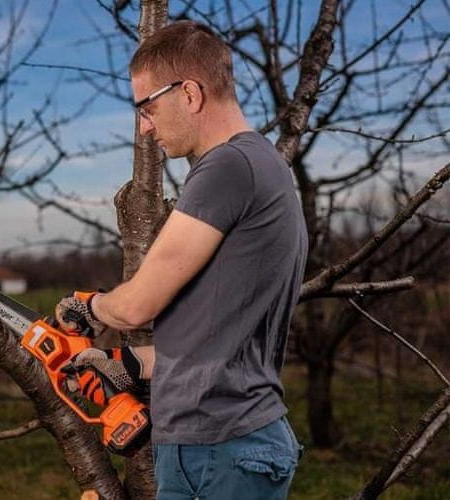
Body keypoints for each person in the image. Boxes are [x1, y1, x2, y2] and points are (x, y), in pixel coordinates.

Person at [55, 21, 308, 500]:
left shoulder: (226, 167)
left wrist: (90, 308)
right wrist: (131, 362)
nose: (145, 127)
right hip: (236, 440)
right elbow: (224, 341)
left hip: (216, 447)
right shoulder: (263, 166)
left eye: (147, 108)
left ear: (190, 93)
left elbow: (136, 307)